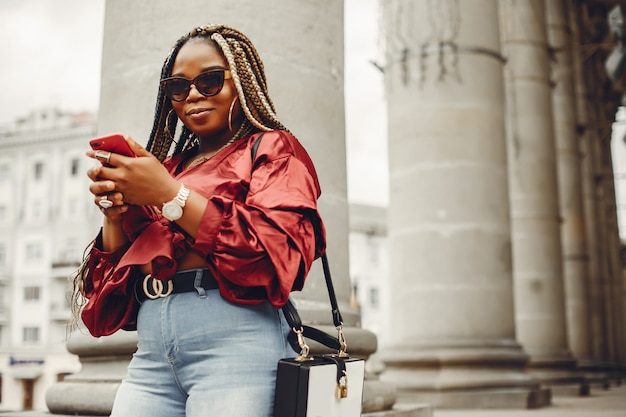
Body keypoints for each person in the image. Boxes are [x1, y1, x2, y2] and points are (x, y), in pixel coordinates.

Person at [71, 23, 326, 417]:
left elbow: (276, 261)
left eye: (208, 80)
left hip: (235, 348)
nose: (192, 94)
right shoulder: (167, 167)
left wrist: (169, 196)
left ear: (240, 81)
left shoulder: (273, 149)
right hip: (153, 356)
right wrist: (115, 217)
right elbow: (105, 310)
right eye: (177, 86)